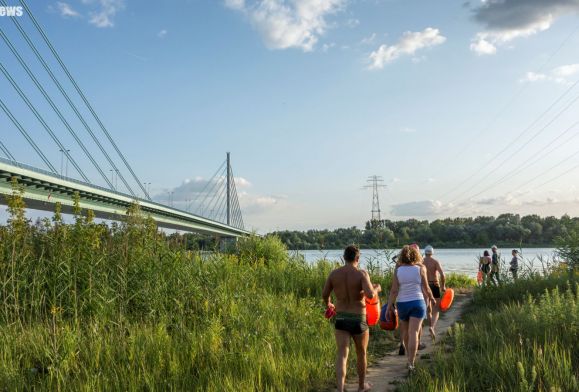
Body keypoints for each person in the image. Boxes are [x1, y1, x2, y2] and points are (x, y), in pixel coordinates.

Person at [322, 245, 381, 392]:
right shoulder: (361, 274)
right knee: (361, 353)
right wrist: (377, 288)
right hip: (358, 318)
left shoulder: (334, 274)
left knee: (342, 353)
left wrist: (328, 303)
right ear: (358, 258)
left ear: (344, 257)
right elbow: (370, 295)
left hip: (341, 318)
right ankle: (361, 386)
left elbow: (325, 294)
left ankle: (340, 389)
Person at [387, 245, 435, 373]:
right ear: (416, 255)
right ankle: (411, 363)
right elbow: (426, 288)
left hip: (402, 304)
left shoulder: (398, 270)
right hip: (418, 303)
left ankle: (409, 356)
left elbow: (394, 290)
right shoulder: (421, 269)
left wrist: (388, 307)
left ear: (402, 256)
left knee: (407, 332)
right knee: (414, 332)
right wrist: (432, 299)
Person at [423, 245, 446, 341]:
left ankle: (430, 325)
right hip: (435, 285)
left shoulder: (421, 262)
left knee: (428, 309)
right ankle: (432, 327)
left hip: (425, 286)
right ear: (432, 253)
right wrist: (443, 286)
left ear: (425, 252)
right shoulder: (435, 262)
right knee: (436, 309)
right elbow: (442, 275)